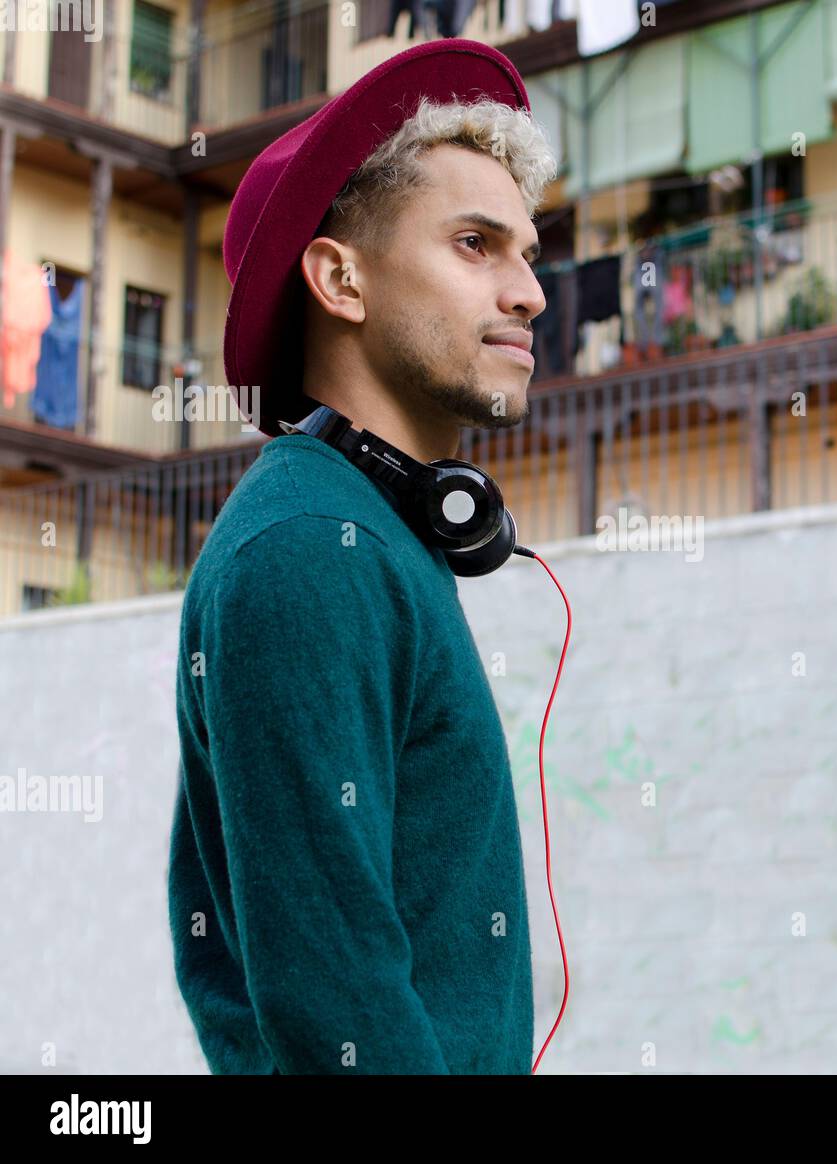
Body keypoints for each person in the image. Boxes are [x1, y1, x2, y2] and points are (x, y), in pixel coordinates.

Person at [167, 41, 558, 1075]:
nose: (529, 292)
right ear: (340, 278)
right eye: (475, 244)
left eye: (528, 251)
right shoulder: (309, 552)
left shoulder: (363, 530)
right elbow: (337, 1012)